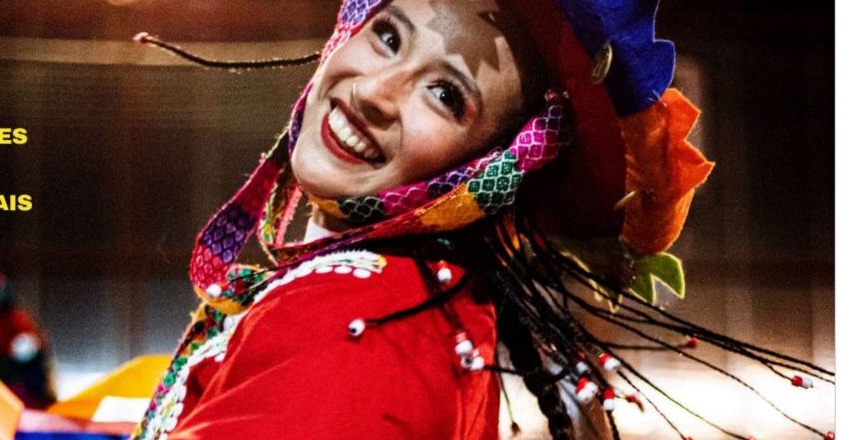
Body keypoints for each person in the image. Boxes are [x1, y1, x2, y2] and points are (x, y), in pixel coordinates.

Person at [131, 0, 833, 439]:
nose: (376, 92)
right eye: (387, 35)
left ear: (493, 166)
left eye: (445, 95)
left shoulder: (353, 324)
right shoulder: (425, 307)